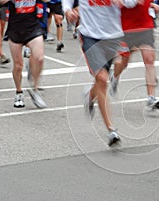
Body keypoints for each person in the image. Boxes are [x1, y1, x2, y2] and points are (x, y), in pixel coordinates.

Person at [63, 0, 142, 146]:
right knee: (102, 78)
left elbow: (131, 3)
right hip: (89, 35)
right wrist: (68, 10)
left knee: (103, 78)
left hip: (113, 36)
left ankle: (90, 96)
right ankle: (111, 130)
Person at [109, 0, 159, 111]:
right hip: (126, 29)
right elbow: (116, 4)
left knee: (149, 60)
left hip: (145, 26)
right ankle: (115, 77)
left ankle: (151, 98)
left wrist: (152, 5)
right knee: (123, 62)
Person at [0, 0, 47, 109]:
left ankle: (35, 89)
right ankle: (19, 93)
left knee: (40, 58)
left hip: (33, 28)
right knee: (18, 65)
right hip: (15, 30)